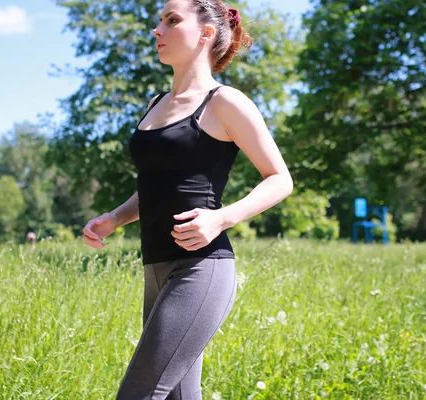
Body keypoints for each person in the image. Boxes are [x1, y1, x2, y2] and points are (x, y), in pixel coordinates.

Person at [81, 0, 293, 398]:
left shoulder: (224, 102)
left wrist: (221, 218)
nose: (157, 30)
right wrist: (114, 218)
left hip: (201, 268)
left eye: (172, 20)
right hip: (156, 268)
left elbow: (280, 179)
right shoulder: (156, 104)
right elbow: (155, 186)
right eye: (160, 20)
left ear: (206, 33)